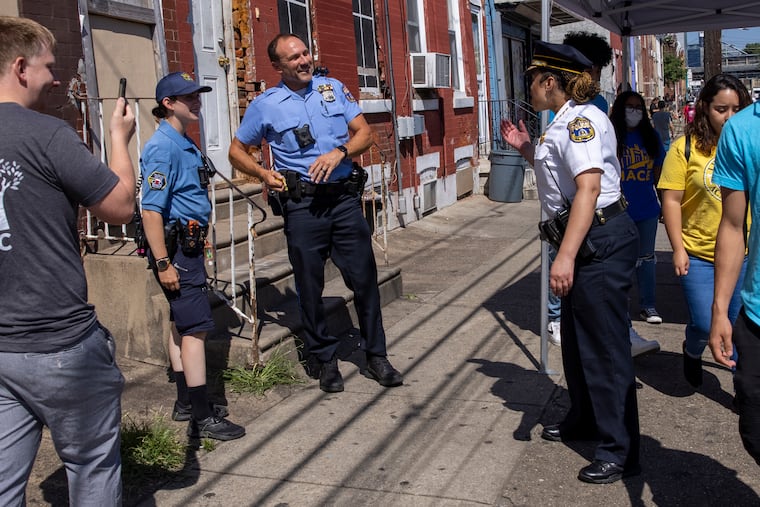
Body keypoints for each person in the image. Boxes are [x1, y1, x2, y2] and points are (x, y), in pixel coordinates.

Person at [0, 16, 136, 505]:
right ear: (20, 67)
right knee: (93, 467)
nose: (56, 78)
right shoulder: (48, 134)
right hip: (60, 342)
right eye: (48, 66)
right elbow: (119, 207)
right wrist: (119, 138)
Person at [228, 33, 403, 393]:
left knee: (365, 279)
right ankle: (324, 359)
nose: (303, 60)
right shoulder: (266, 104)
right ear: (278, 66)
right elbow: (236, 150)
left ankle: (376, 355)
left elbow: (364, 134)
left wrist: (339, 153)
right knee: (310, 286)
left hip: (342, 201)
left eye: (305, 53)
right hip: (302, 205)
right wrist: (262, 174)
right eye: (293, 58)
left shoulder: (333, 88)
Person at [502, 41, 640, 484]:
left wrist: (564, 257)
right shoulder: (562, 122)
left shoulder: (580, 121)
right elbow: (558, 175)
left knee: (605, 350)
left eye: (532, 81)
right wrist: (526, 148)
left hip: (597, 240)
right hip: (586, 237)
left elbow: (588, 190)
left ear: (550, 82)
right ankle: (585, 418)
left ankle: (620, 449)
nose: (530, 89)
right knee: (580, 345)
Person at [141, 71, 245, 441]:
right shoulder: (163, 147)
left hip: (188, 246)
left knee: (181, 323)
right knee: (197, 329)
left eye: (197, 95)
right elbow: (151, 211)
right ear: (168, 104)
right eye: (189, 97)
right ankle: (203, 415)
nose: (197, 101)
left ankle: (186, 402)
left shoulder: (183, 142)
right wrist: (164, 263)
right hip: (176, 253)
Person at [660, 74, 751, 388]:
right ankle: (693, 348)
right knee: (703, 321)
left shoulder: (748, 145)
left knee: (739, 326)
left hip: (743, 254)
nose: (729, 117)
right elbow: (671, 200)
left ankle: (743, 389)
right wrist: (678, 248)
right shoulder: (684, 149)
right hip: (698, 254)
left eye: (736, 109)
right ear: (704, 109)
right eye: (721, 109)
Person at [545, 31, 614, 346]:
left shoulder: (591, 107)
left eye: (599, 69)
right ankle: (557, 317)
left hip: (593, 211)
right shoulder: (565, 107)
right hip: (571, 206)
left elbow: (590, 183)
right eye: (592, 68)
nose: (595, 75)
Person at [709, 99, 760, 466]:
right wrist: (720, 310)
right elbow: (731, 224)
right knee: (755, 433)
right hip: (757, 315)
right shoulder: (742, 130)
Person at [611, 91, 665, 328]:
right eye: (629, 107)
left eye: (638, 107)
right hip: (618, 211)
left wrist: (664, 204)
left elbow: (659, 175)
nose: (633, 112)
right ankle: (619, 305)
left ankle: (648, 304)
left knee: (646, 259)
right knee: (620, 262)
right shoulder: (611, 137)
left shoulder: (650, 137)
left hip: (647, 210)